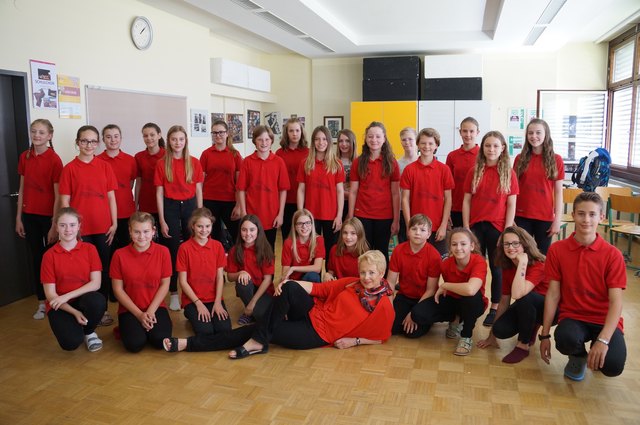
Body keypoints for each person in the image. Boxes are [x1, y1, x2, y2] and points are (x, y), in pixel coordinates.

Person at [160, 250, 395, 356]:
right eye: (363, 272)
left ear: (382, 272)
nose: (365, 277)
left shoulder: (383, 305)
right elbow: (319, 288)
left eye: (371, 273)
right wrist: (285, 287)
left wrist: (354, 342)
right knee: (292, 285)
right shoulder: (352, 283)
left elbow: (381, 336)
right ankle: (260, 342)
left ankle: (189, 345)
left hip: (316, 334)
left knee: (254, 328)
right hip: (313, 312)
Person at [540, 192, 627, 381]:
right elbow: (553, 295)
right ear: (573, 215)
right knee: (564, 339)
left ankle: (598, 347)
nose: (586, 219)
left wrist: (603, 341)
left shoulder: (613, 255)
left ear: (601, 217)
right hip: (574, 317)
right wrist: (544, 335)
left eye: (592, 214)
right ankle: (578, 356)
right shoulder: (557, 250)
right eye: (581, 213)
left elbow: (616, 303)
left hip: (603, 319)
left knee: (612, 367)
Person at [59, 125, 117, 326]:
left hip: (103, 227)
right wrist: (70, 229)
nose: (89, 145)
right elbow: (65, 202)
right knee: (82, 271)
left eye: (93, 141)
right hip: (79, 231)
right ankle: (79, 310)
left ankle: (101, 311)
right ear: (78, 143)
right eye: (84, 141)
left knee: (103, 269)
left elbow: (111, 197)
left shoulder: (104, 166)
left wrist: (114, 222)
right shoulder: (69, 169)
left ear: (98, 143)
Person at [463, 131, 519, 327]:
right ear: (483, 148)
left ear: (502, 148)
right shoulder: (474, 171)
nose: (491, 149)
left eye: (495, 146)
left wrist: (507, 231)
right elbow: (467, 201)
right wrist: (466, 227)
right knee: (474, 266)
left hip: (498, 228)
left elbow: (511, 204)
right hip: (476, 227)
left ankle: (495, 307)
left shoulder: (509, 173)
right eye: (488, 145)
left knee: (497, 270)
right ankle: (473, 302)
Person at [409, 228, 488, 356]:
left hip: (473, 303)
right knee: (418, 314)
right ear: (450, 247)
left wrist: (445, 285)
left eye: (463, 244)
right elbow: (441, 290)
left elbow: (471, 289)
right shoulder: (445, 264)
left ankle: (466, 336)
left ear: (472, 246)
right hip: (453, 301)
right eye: (454, 244)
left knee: (470, 297)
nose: (458, 248)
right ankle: (455, 319)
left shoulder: (479, 261)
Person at [476, 226, 549, 364]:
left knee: (525, 296)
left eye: (516, 243)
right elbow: (504, 300)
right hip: (526, 306)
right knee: (500, 330)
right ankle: (531, 326)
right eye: (506, 244)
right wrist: (492, 335)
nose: (511, 247)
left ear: (525, 244)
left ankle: (523, 345)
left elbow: (518, 293)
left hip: (548, 310)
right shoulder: (508, 266)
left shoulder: (539, 265)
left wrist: (522, 263)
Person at [15, 119, 63, 320]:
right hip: (29, 215)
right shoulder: (25, 157)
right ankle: (41, 302)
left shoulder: (54, 159)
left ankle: (56, 300)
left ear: (50, 135)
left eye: (41, 132)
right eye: (33, 131)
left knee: (51, 259)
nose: (37, 136)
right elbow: (22, 190)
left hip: (48, 217)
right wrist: (18, 217)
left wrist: (54, 223)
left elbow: (58, 194)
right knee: (36, 258)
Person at [41, 207, 106, 352]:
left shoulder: (90, 249)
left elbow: (96, 283)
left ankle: (88, 332)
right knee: (70, 344)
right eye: (63, 225)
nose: (68, 229)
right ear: (56, 227)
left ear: (78, 226)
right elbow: (51, 296)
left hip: (82, 300)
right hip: (60, 306)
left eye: (72, 225)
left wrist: (67, 296)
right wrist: (74, 312)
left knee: (97, 300)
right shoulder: (49, 256)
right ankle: (77, 328)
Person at [154, 125, 204, 311]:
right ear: (168, 141)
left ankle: (192, 291)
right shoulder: (162, 164)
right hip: (170, 207)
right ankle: (174, 292)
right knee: (173, 250)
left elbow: (198, 189)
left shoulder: (194, 162)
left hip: (190, 206)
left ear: (185, 141)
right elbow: (159, 193)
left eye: (181, 139)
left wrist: (200, 215)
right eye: (174, 139)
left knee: (193, 250)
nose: (177, 143)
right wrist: (162, 219)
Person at [110, 212, 172, 352]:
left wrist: (149, 312)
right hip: (130, 309)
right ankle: (133, 328)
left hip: (155, 307)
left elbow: (165, 284)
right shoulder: (119, 255)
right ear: (130, 232)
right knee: (135, 345)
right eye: (137, 232)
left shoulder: (163, 252)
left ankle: (147, 328)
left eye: (146, 231)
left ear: (153, 231)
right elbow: (118, 290)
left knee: (159, 341)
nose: (142, 236)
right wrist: (139, 315)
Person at [347, 121, 400, 267]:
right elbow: (353, 191)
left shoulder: (391, 162)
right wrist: (351, 216)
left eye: (378, 136)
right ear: (365, 139)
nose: (374, 140)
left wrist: (396, 219)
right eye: (370, 136)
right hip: (362, 214)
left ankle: (382, 285)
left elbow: (396, 193)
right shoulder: (358, 162)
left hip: (385, 216)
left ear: (384, 139)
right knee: (364, 252)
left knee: (382, 252)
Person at [177, 208, 231, 336]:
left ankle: (203, 311)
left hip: (213, 298)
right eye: (200, 226)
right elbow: (183, 282)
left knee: (224, 330)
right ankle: (189, 312)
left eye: (207, 226)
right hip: (193, 299)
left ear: (212, 225)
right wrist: (198, 304)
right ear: (193, 226)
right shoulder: (184, 248)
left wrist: (218, 302)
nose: (204, 230)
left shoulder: (217, 246)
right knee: (205, 332)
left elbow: (219, 278)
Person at [513, 118, 564, 254]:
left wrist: (557, 219)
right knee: (522, 255)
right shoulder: (520, 159)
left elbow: (559, 192)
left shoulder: (556, 159)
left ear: (546, 134)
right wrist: (511, 216)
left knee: (542, 257)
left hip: (545, 217)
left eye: (538, 133)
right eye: (530, 133)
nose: (534, 136)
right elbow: (513, 190)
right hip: (521, 215)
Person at [401, 128, 454, 255]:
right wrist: (409, 226)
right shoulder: (409, 170)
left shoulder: (444, 170)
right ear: (418, 144)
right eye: (423, 143)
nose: (426, 146)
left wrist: (443, 225)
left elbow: (448, 199)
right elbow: (404, 199)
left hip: (437, 226)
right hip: (416, 227)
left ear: (436, 146)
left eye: (430, 143)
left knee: (439, 263)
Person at [388, 214, 441, 338]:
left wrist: (412, 313)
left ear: (428, 234)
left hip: (424, 298)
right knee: (391, 327)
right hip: (404, 296)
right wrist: (390, 306)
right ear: (408, 231)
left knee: (413, 333)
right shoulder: (398, 250)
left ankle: (429, 317)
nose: (418, 233)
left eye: (422, 230)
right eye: (414, 229)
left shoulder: (434, 256)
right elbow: (390, 282)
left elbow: (431, 290)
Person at [237, 125, 289, 249]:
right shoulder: (247, 162)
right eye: (260, 139)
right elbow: (241, 189)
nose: (264, 143)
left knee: (269, 250)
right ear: (255, 141)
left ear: (271, 141)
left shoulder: (279, 162)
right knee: (250, 250)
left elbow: (283, 190)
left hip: (271, 216)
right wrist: (244, 212)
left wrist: (280, 214)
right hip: (252, 215)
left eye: (267, 139)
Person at [297, 125, 344, 260]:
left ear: (329, 141)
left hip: (331, 215)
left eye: (324, 139)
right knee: (312, 250)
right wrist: (301, 214)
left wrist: (339, 215)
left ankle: (330, 279)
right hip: (311, 216)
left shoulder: (336, 164)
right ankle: (313, 279)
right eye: (317, 139)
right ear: (313, 142)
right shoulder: (305, 163)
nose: (321, 142)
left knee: (331, 250)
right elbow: (301, 190)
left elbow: (340, 191)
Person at [200, 120, 243, 249]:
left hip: (230, 201)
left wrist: (239, 204)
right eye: (215, 133)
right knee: (213, 235)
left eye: (221, 132)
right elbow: (200, 180)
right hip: (210, 200)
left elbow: (239, 182)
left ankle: (238, 263)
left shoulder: (235, 154)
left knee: (237, 235)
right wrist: (200, 202)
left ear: (227, 134)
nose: (218, 135)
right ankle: (216, 266)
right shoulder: (206, 154)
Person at [226, 214, 275, 325]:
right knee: (242, 281)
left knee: (265, 317)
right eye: (244, 230)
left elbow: (268, 280)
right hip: (247, 287)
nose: (248, 234)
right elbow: (229, 276)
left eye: (252, 230)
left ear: (258, 231)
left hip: (264, 291)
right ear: (240, 231)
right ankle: (251, 313)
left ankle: (250, 312)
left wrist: (252, 303)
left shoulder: (265, 250)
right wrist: (240, 273)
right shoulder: (235, 250)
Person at [98, 124, 137, 254]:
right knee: (108, 250)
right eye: (108, 137)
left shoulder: (130, 160)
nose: (113, 140)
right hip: (105, 213)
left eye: (116, 136)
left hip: (127, 212)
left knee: (127, 249)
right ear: (103, 139)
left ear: (121, 138)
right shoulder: (97, 161)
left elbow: (130, 184)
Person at [275, 117, 309, 241]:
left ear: (301, 132)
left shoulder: (308, 153)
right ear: (286, 133)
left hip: (305, 201)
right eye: (291, 131)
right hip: (285, 201)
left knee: (304, 237)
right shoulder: (279, 153)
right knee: (287, 237)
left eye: (297, 130)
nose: (294, 134)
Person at [446, 117, 480, 228]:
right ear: (460, 132)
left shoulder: (483, 155)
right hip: (457, 207)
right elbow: (447, 186)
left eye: (471, 131)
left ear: (477, 133)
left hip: (478, 208)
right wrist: (446, 211)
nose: (468, 134)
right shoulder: (452, 156)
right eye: (465, 131)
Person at [281, 209, 325, 284]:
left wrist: (293, 268)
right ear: (294, 226)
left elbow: (317, 268)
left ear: (312, 224)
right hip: (294, 281)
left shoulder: (318, 240)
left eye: (307, 223)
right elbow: (285, 272)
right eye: (300, 223)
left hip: (310, 280)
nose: (304, 226)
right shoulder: (288, 243)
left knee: (313, 276)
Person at [135, 123, 165, 220]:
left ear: (159, 135)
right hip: (146, 201)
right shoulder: (139, 156)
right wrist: (135, 204)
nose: (149, 138)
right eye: (145, 136)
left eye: (152, 135)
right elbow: (138, 183)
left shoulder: (168, 155)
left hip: (165, 201)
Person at [396, 127, 418, 243]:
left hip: (419, 207)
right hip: (402, 210)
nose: (407, 142)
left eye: (410, 139)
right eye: (404, 140)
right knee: (404, 242)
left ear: (416, 141)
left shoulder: (422, 161)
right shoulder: (397, 164)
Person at [336, 129, 357, 222]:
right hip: (336, 202)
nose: (344, 144)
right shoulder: (333, 161)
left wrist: (351, 196)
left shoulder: (359, 161)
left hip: (354, 203)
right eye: (341, 141)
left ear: (353, 142)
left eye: (347, 141)